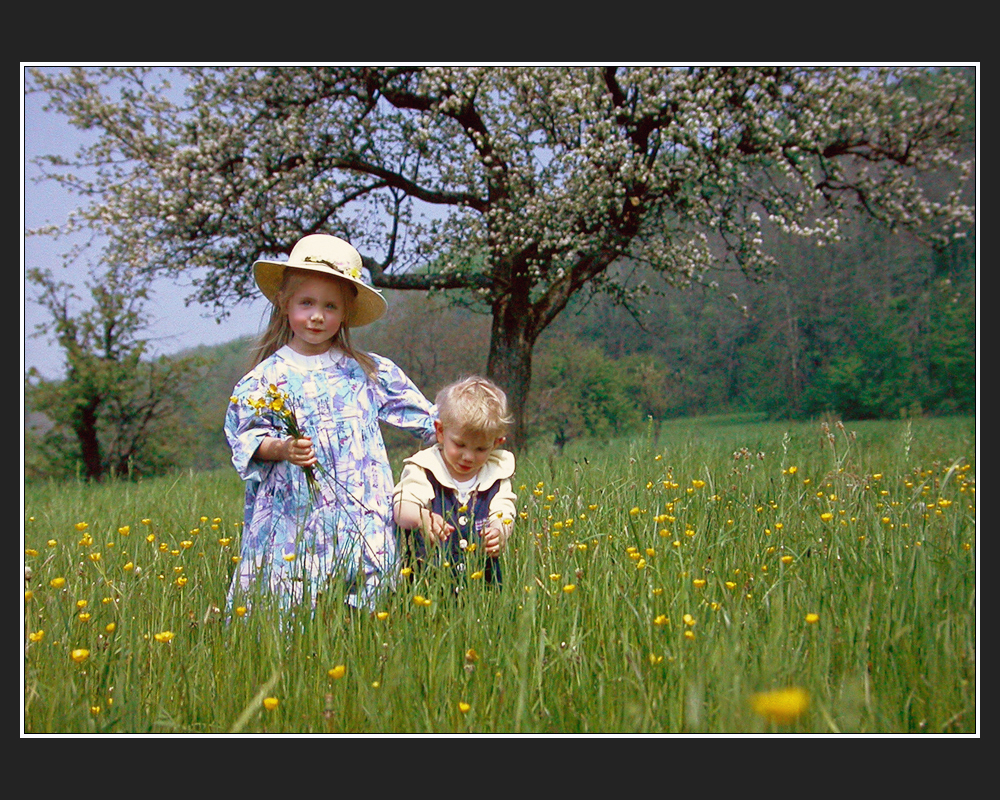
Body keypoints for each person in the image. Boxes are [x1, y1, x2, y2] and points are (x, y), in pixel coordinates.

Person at [226, 233, 436, 611]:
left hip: (362, 511)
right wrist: (283, 448)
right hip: (295, 515)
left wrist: (472, 433)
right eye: (306, 303)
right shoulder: (264, 379)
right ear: (285, 303)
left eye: (330, 306)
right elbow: (246, 438)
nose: (317, 316)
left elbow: (428, 420)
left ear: (345, 313)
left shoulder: (369, 371)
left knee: (370, 594)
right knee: (287, 595)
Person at [393, 376, 517, 588]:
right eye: (460, 445)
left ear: (497, 443)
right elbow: (401, 508)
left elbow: (504, 513)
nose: (468, 457)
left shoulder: (495, 474)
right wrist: (422, 516)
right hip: (428, 584)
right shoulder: (425, 468)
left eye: (481, 449)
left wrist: (498, 532)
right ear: (440, 432)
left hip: (482, 585)